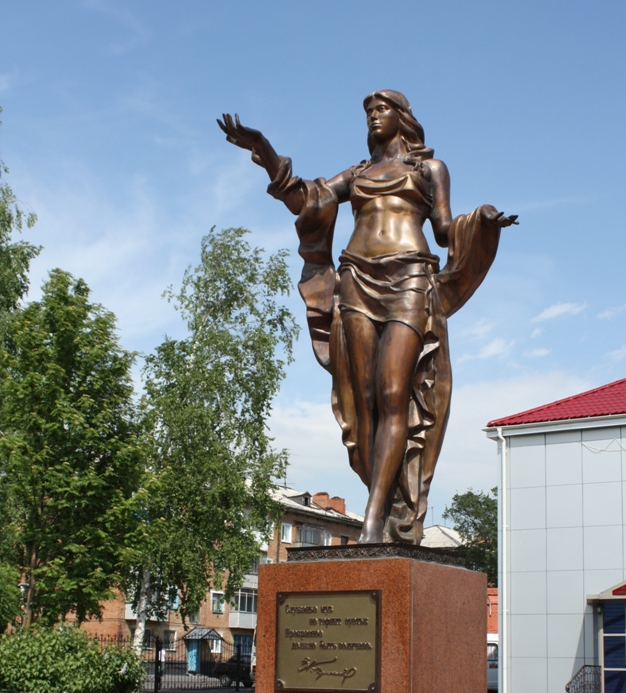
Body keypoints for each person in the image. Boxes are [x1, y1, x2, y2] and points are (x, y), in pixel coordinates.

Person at [219, 91, 517, 545]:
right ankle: (382, 502)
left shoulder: (429, 170)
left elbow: (443, 230)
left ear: (401, 117)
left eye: (381, 110)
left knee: (395, 392)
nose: (373, 117)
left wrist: (482, 222)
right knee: (364, 400)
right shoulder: (357, 173)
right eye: (368, 113)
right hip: (356, 278)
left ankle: (374, 520)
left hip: (410, 279)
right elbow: (305, 198)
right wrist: (264, 150)